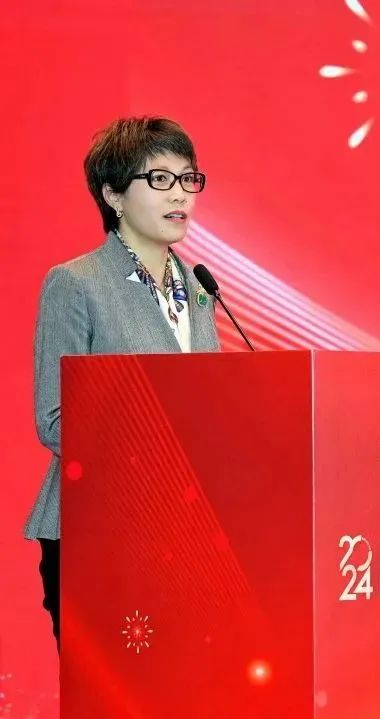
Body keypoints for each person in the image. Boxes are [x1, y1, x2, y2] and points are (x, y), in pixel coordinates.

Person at [24, 116, 220, 647]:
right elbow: (54, 418)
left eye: (188, 178)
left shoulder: (199, 288)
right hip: (101, 532)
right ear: (112, 194)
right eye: (159, 179)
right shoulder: (76, 283)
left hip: (187, 537)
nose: (179, 194)